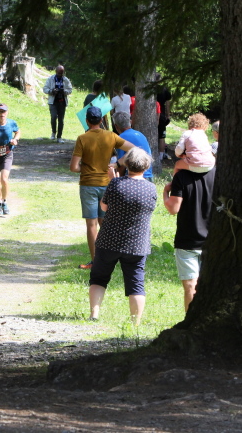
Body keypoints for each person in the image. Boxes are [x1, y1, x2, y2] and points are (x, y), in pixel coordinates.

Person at [88, 148, 156, 324]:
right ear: (146, 166)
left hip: (109, 240)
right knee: (136, 284)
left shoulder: (116, 184)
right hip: (137, 244)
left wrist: (113, 181)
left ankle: (94, 314)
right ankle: (135, 322)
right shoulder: (151, 188)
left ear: (127, 164)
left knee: (99, 278)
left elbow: (104, 207)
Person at [70, 106, 135, 270]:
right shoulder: (111, 136)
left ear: (87, 121)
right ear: (101, 120)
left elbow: (74, 167)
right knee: (105, 223)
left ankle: (95, 262)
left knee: (91, 225)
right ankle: (110, 259)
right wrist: (118, 163)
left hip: (88, 185)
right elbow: (134, 149)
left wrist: (86, 168)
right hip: (107, 185)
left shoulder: (82, 138)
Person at [163, 166, 216, 311]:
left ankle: (190, 319)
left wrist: (165, 192)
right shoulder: (218, 173)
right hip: (213, 240)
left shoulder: (181, 176)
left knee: (190, 287)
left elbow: (173, 209)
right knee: (211, 286)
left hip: (187, 241)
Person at [113, 112, 154, 181]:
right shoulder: (140, 134)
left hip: (134, 178)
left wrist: (118, 181)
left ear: (116, 126)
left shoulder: (121, 138)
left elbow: (121, 165)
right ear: (130, 122)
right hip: (148, 175)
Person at [42, 65, 72, 143]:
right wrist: (52, 91)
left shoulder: (66, 80)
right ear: (56, 72)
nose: (60, 75)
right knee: (53, 117)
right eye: (59, 73)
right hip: (53, 101)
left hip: (62, 101)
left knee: (61, 120)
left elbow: (70, 90)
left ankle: (59, 137)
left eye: (61, 73)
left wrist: (64, 91)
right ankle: (53, 132)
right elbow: (45, 89)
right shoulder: (51, 79)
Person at [156, 76, 172, 160]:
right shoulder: (164, 89)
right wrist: (168, 114)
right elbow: (168, 103)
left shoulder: (150, 89)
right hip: (161, 114)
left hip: (153, 114)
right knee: (162, 136)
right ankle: (161, 156)